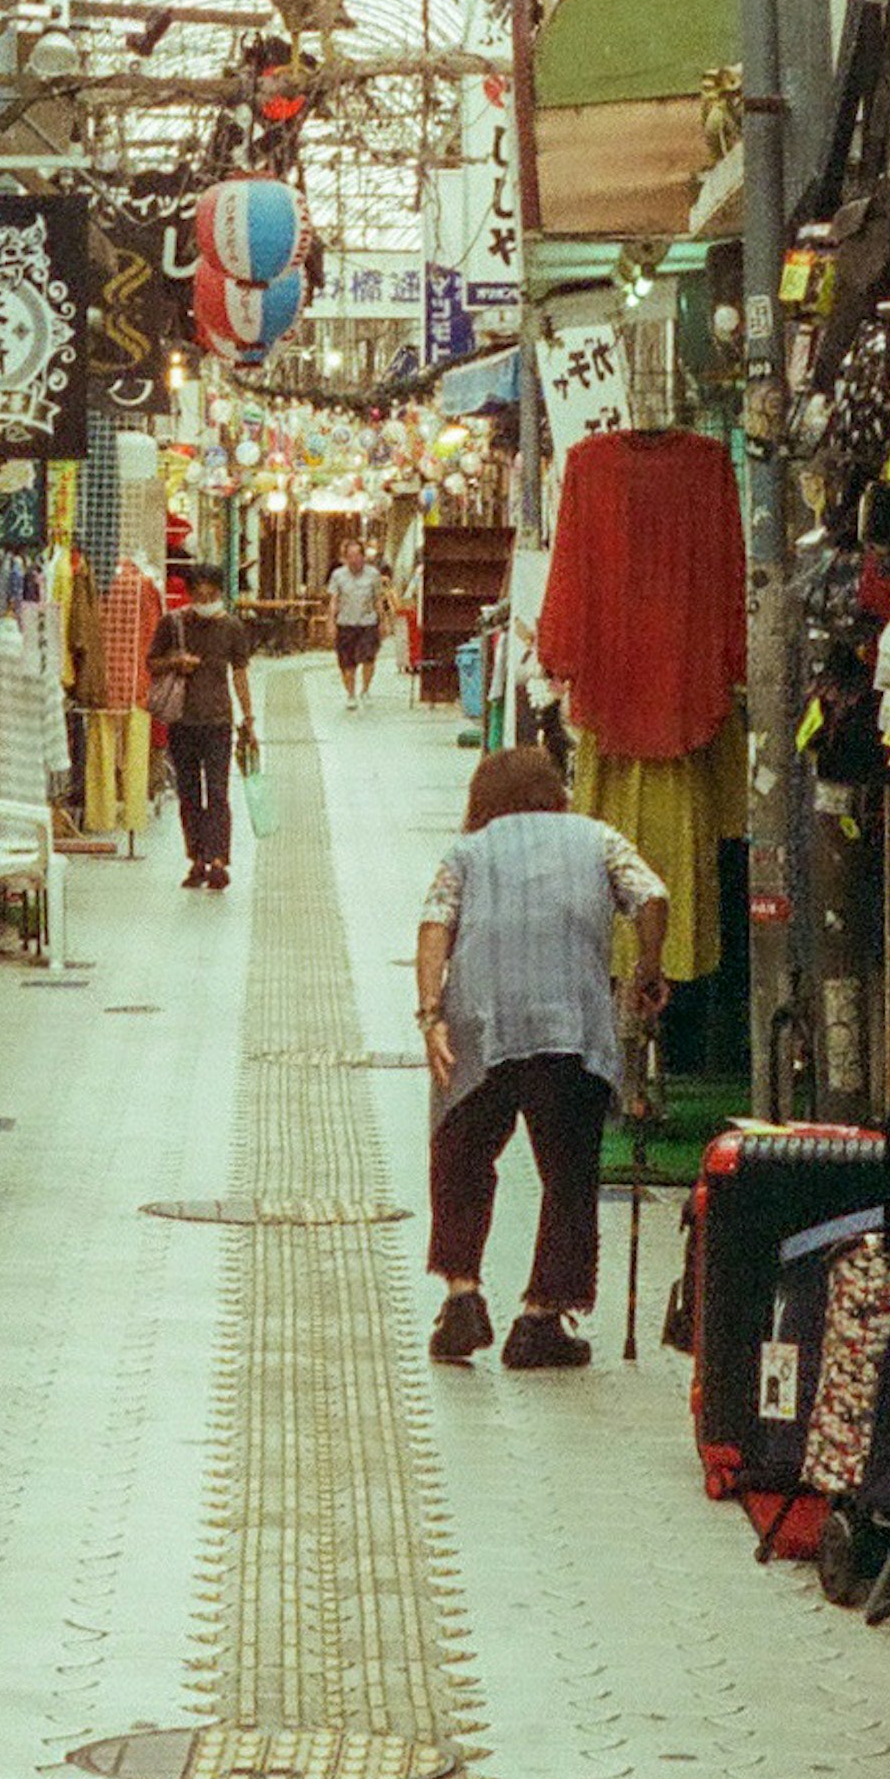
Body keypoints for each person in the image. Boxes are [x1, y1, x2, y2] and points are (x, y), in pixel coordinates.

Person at [417, 743, 667, 1373]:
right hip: (570, 1029)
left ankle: (462, 1295)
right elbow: (652, 896)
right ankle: (541, 1318)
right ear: (555, 790)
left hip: (481, 1027)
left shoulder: (466, 854)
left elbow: (434, 925)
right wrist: (647, 966)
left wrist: (430, 1013)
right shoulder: (598, 838)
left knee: (461, 1153)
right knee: (568, 1173)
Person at [150, 583, 259, 889]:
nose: (205, 602)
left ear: (219, 596)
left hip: (218, 722)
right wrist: (176, 662)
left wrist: (248, 718)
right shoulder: (173, 623)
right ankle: (197, 858)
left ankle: (219, 860)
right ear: (190, 595)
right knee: (189, 795)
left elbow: (240, 673)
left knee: (218, 793)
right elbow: (152, 662)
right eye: (199, 596)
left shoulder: (232, 627)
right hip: (182, 721)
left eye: (211, 596)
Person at [329, 539, 387, 703]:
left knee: (369, 657)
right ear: (345, 558)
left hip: (368, 623)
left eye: (357, 555)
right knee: (347, 664)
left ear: (363, 556)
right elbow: (334, 599)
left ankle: (365, 690)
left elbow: (378, 599)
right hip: (346, 623)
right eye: (350, 556)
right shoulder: (338, 575)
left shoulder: (373, 574)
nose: (354, 559)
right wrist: (331, 622)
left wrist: (383, 621)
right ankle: (351, 694)